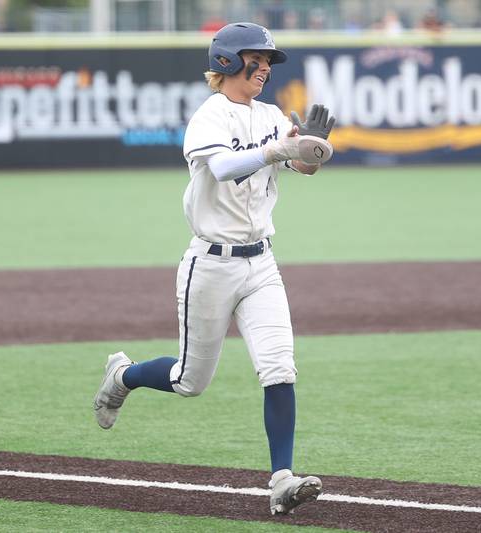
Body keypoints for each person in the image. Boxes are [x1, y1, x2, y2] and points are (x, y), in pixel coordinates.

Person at [93, 22, 335, 515]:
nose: (266, 66)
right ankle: (124, 376)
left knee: (279, 367)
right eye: (257, 57)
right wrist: (278, 149)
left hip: (261, 263)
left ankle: (282, 480)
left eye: (270, 60)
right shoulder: (208, 117)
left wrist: (310, 148)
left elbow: (298, 166)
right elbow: (224, 167)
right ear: (226, 60)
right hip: (210, 264)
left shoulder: (269, 114)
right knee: (189, 380)